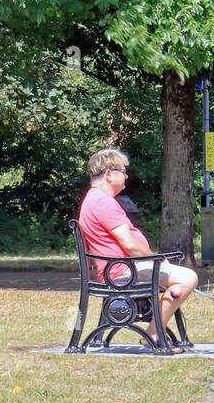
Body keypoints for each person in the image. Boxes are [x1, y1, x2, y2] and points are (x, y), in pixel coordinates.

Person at [77, 148, 199, 352]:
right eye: (123, 171)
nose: (126, 175)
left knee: (180, 278)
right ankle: (155, 333)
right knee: (188, 278)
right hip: (122, 271)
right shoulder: (103, 202)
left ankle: (156, 330)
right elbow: (130, 245)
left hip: (117, 269)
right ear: (109, 174)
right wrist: (157, 259)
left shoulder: (94, 199)